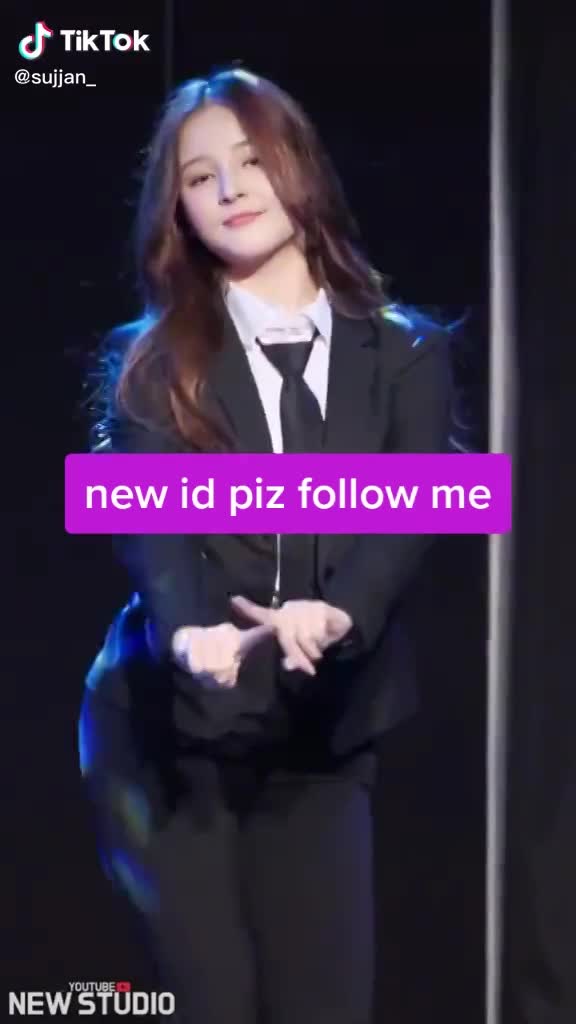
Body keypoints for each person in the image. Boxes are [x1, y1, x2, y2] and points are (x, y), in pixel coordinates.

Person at [79, 66, 453, 1024]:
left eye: (250, 161)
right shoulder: (150, 360)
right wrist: (189, 631)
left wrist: (341, 612)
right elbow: (152, 526)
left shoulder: (405, 351)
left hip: (322, 739)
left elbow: (408, 514)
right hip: (167, 739)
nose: (230, 189)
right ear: (178, 209)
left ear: (299, 167)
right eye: (200, 176)